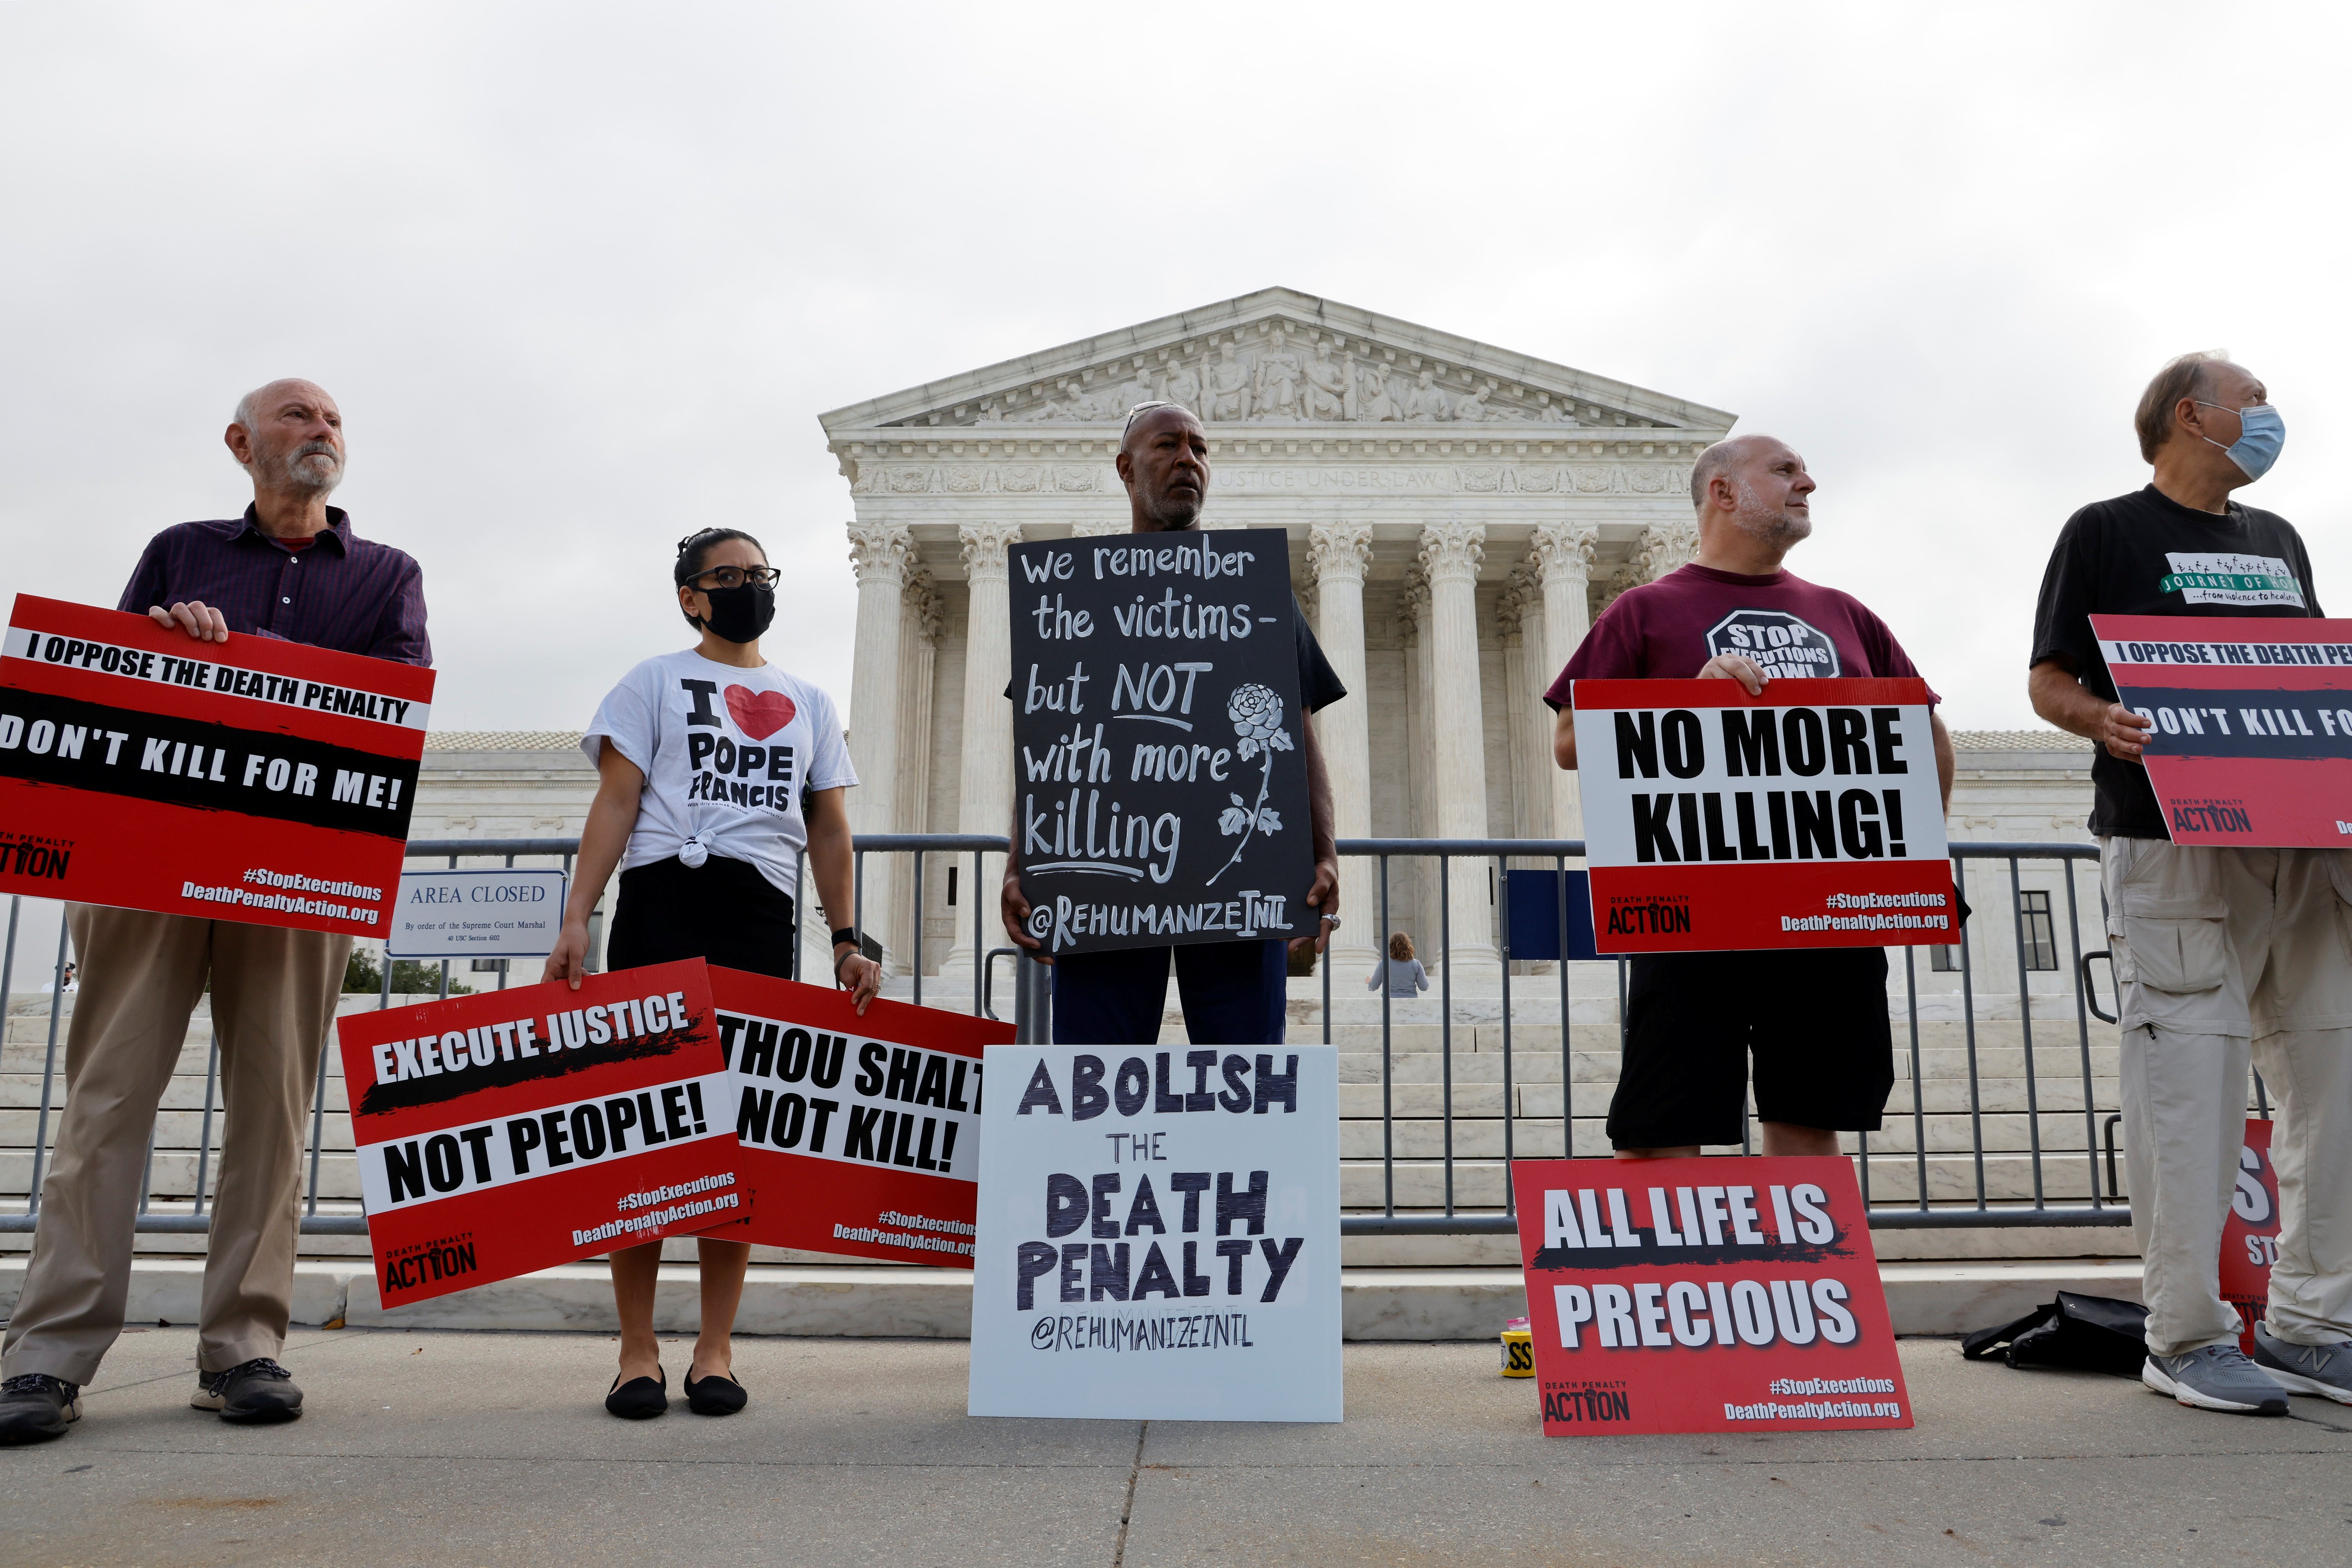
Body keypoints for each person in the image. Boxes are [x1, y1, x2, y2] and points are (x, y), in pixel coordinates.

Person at [0, 380, 429, 1446]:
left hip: (290, 878)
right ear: (241, 443)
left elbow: (398, 698)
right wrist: (169, 639)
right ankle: (47, 1356)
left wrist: (267, 673)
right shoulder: (179, 550)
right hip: (151, 871)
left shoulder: (388, 575)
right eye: (295, 416)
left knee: (274, 1115)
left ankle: (243, 1344)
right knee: (106, 1105)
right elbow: (113, 684)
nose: (321, 429)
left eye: (332, 417)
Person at [2030, 351, 2352, 1416]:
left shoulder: (2277, 541)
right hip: (2170, 841)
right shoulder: (2104, 531)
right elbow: (2048, 679)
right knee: (2190, 1088)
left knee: (2329, 1079)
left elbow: (2309, 676)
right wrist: (2099, 720)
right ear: (2191, 415)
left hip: (2303, 850)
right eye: (2253, 402)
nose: (2269, 420)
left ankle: (2313, 1324)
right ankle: (2184, 1333)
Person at [544, 527, 883, 1420]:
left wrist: (848, 936)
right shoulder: (653, 681)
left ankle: (716, 1348)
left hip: (761, 915)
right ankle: (636, 1351)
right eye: (726, 577)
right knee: (644, 1132)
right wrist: (579, 915)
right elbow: (616, 800)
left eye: (757, 575)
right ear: (690, 596)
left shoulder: (808, 700)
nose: (745, 588)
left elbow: (830, 831)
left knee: (735, 1142)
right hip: (662, 901)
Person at [1548, 434, 1954, 1162]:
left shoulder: (1847, 613)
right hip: (1693, 909)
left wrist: (1913, 856)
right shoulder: (1642, 612)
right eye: (1785, 470)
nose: (1809, 482)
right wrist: (1687, 705)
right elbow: (1571, 743)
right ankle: (1667, 1277)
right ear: (1723, 493)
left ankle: (1804, 1276)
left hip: (1829, 906)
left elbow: (1924, 733)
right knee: (1663, 1123)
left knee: (1811, 1117)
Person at [1001, 402, 1344, 1045]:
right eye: (1169, 445)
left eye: (1200, 448)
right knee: (1092, 1082)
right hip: (1102, 879)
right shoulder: (1074, 596)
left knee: (1245, 1082)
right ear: (1127, 469)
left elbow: (1296, 734)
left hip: (1238, 884)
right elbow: (1049, 749)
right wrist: (1022, 864)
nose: (1190, 459)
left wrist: (1323, 852)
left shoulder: (1255, 592)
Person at [1367, 933, 1429, 999]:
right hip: (1411, 1001)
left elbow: (1373, 987)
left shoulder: (1384, 963)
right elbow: (1424, 987)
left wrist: (1371, 981)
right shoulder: (1416, 964)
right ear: (1409, 946)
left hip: (1389, 1002)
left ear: (1391, 946)